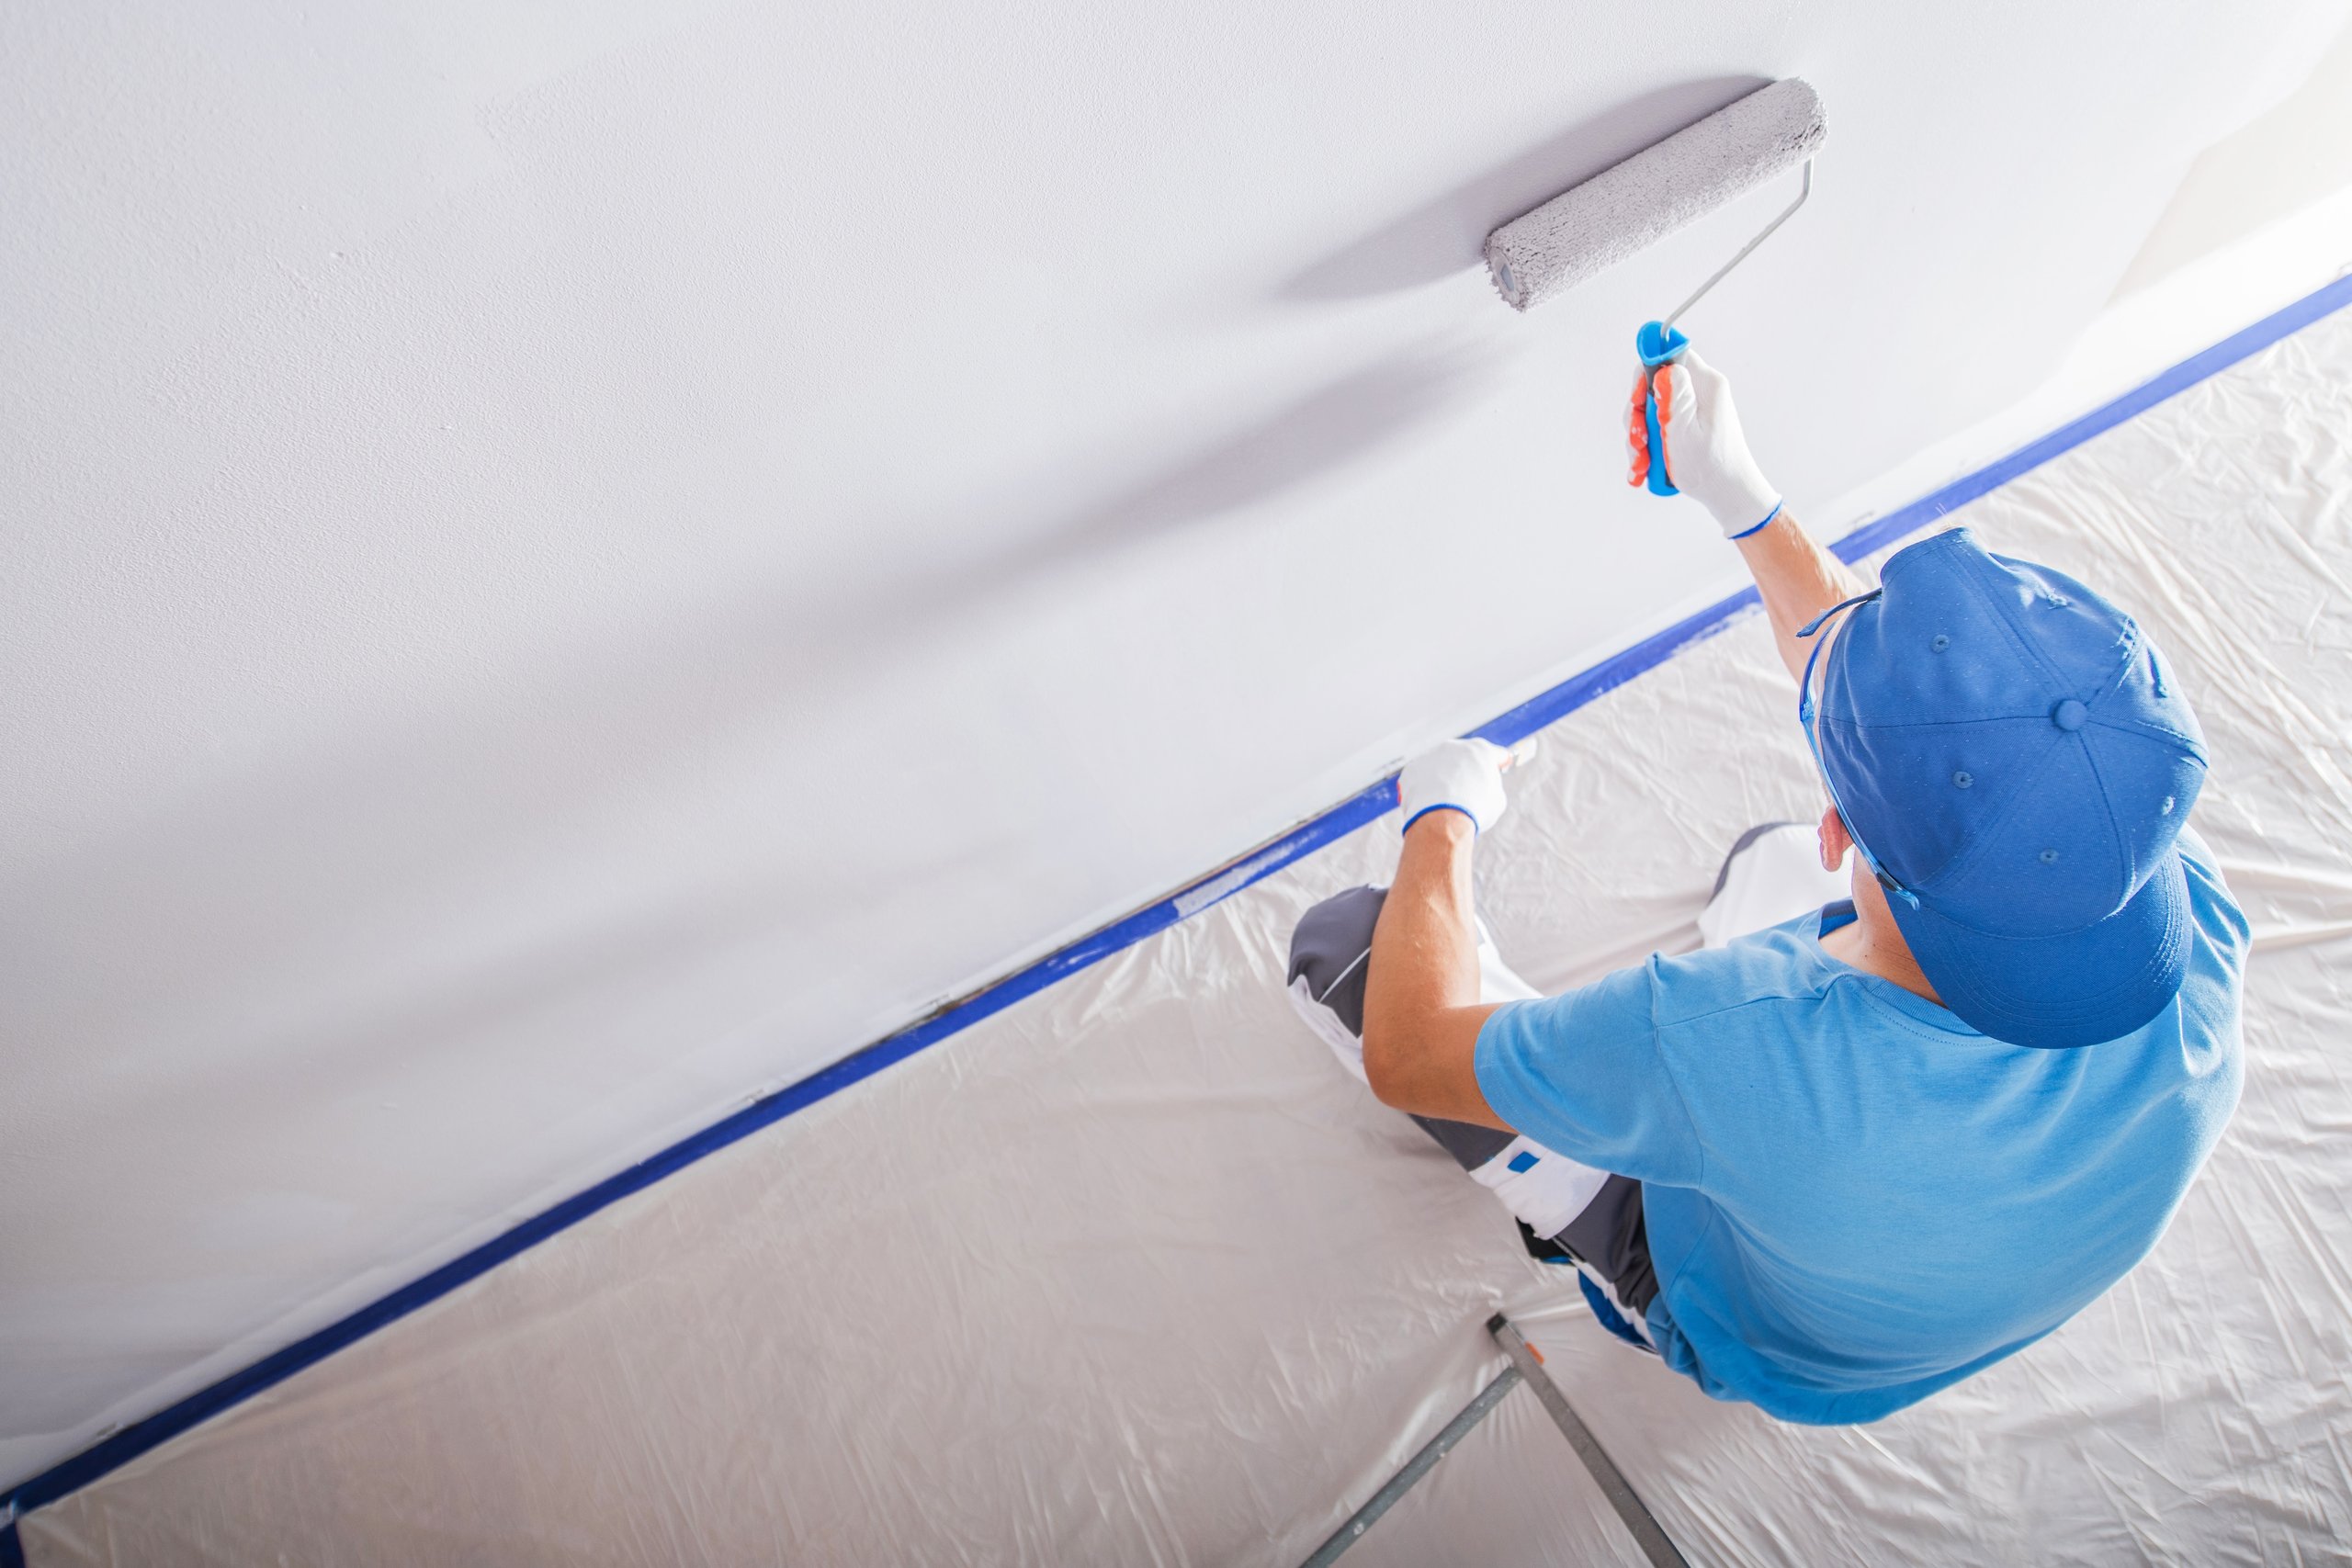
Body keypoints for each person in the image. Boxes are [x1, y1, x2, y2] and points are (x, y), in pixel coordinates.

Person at [1285, 352, 2247, 1424]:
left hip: (1756, 1336)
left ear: (1844, 828)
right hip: (1934, 1305)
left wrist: (1441, 811)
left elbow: (1408, 1059)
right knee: (1759, 865)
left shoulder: (1729, 1037)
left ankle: (1588, 1231)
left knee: (1343, 950)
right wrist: (1742, 497)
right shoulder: (2161, 883)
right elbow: (1899, 703)